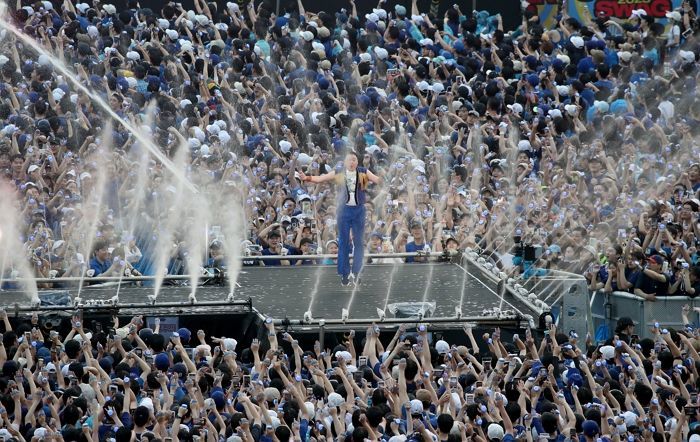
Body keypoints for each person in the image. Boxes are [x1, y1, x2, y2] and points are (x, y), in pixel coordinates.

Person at [298, 152, 381, 285]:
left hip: (359, 210)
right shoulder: (339, 172)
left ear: (357, 162)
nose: (352, 162)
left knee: (359, 242)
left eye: (354, 160)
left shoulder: (364, 172)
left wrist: (386, 177)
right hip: (344, 210)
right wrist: (307, 177)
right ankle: (344, 273)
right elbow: (321, 178)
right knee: (343, 242)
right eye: (349, 160)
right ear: (345, 162)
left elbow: (378, 180)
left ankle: (357, 272)